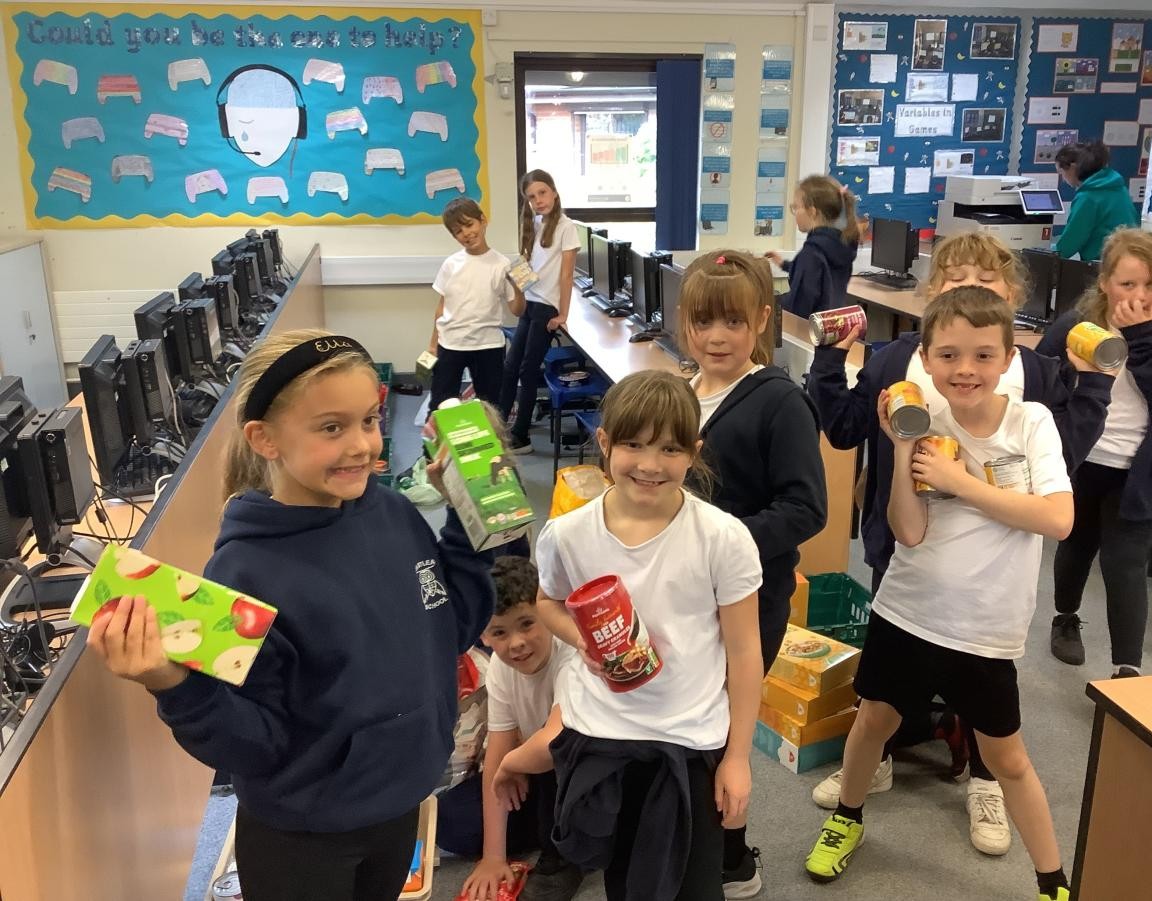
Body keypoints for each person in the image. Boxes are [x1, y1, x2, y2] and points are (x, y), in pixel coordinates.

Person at [85, 329, 496, 901]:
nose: (362, 445)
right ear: (265, 439)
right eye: (331, 428)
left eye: (369, 420)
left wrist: (468, 517)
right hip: (304, 838)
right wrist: (170, 681)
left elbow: (451, 631)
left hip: (399, 800)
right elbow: (252, 746)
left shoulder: (391, 512)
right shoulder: (245, 571)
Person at [806, 232, 1113, 857]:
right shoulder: (910, 383)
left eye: (985, 281)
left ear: (1008, 329)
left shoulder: (1034, 398)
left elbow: (1060, 498)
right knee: (880, 708)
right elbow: (898, 508)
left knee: (995, 730)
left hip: (991, 606)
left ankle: (989, 791)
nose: (965, 366)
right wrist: (843, 378)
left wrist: (960, 481)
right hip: (911, 586)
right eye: (954, 280)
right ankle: (864, 788)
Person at [532, 370, 764, 901]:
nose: (650, 465)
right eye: (633, 445)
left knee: (693, 887)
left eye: (670, 448)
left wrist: (737, 757)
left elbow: (745, 652)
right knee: (625, 883)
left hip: (689, 740)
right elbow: (547, 602)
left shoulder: (722, 538)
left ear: (694, 452)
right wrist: (581, 639)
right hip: (602, 735)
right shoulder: (568, 534)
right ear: (604, 442)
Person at [677, 250, 827, 897]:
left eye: (734, 322)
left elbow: (805, 508)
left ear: (762, 320)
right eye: (704, 321)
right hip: (684, 594)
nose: (717, 337)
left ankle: (731, 857)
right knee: (688, 719)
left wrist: (720, 545)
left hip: (746, 599)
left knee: (723, 729)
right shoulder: (683, 393)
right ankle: (693, 836)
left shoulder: (779, 402)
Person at [1039, 228, 1152, 676]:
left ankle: (1127, 669)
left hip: (1141, 471)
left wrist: (1142, 335)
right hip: (1083, 463)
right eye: (1128, 284)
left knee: (1123, 564)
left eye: (1151, 284)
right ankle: (1065, 617)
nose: (1140, 295)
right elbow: (1042, 379)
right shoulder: (1077, 324)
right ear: (1105, 282)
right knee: (1076, 546)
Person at [459, 556, 582, 901]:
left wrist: (513, 764)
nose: (516, 643)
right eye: (499, 632)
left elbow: (555, 740)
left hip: (578, 765)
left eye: (527, 624)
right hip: (535, 763)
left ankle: (564, 856)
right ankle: (553, 832)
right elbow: (498, 750)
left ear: (548, 615)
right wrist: (493, 857)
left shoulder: (570, 655)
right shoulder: (501, 668)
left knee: (556, 781)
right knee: (456, 824)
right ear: (484, 635)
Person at [498, 170, 580, 454]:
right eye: (532, 197)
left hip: (547, 307)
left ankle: (521, 437)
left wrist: (563, 315)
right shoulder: (535, 223)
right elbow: (531, 265)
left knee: (527, 370)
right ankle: (499, 428)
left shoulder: (567, 227)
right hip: (530, 302)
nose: (538, 200)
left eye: (542, 193)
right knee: (510, 367)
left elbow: (567, 275)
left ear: (554, 192)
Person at [428, 198, 526, 410]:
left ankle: (489, 433)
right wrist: (433, 345)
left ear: (483, 221)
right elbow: (441, 307)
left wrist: (518, 288)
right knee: (440, 405)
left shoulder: (502, 264)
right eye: (458, 231)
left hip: (488, 345)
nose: (466, 233)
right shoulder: (451, 264)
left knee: (490, 407)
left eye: (469, 224)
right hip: (451, 343)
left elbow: (517, 310)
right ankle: (436, 435)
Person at [765, 175, 861, 318]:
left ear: (812, 212)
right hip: (831, 324)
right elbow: (818, 277)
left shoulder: (812, 252)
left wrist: (769, 303)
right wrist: (784, 264)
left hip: (808, 328)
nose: (794, 213)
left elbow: (798, 307)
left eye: (796, 207)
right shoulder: (840, 244)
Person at [1054, 140, 1139, 261]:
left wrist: (1048, 253)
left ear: (1072, 168)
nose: (1063, 179)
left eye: (1061, 172)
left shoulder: (1088, 196)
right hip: (1129, 257)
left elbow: (1070, 242)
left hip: (1103, 263)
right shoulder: (1118, 187)